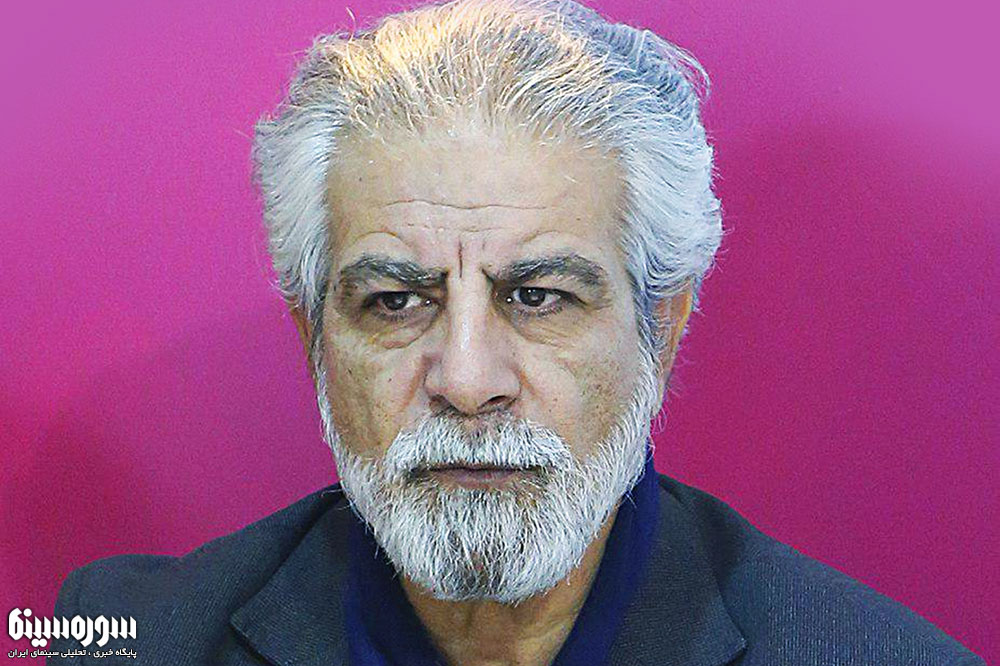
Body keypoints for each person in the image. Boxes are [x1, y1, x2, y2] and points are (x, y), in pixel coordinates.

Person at [49, 0, 984, 664]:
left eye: (537, 297)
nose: (466, 381)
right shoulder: (129, 643)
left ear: (662, 326)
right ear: (313, 339)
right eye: (395, 301)